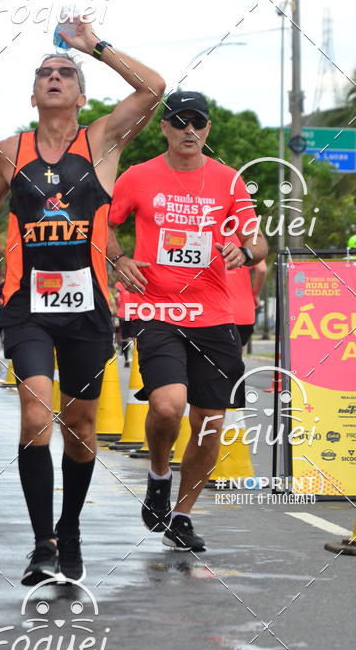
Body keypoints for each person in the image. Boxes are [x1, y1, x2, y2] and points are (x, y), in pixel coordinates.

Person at [0, 21, 165, 584]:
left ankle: (69, 530)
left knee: (82, 426)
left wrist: (94, 46)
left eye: (64, 73)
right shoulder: (8, 152)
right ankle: (42, 542)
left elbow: (153, 89)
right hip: (27, 305)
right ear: (32, 95)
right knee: (34, 413)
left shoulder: (101, 141)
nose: (53, 78)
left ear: (80, 93)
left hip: (89, 306)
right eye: (44, 73)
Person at [108, 90, 268, 552]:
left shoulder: (227, 182)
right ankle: (159, 473)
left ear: (208, 130)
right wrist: (119, 258)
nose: (189, 131)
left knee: (211, 421)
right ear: (165, 128)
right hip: (157, 310)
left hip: (215, 317)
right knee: (167, 406)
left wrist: (244, 249)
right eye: (179, 122)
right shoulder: (139, 177)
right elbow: (102, 223)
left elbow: (257, 243)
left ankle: (181, 515)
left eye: (197, 123)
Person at [115, 280, 134, 366]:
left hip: (124, 313)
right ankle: (136, 360)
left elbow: (116, 296)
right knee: (136, 337)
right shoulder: (137, 281)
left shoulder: (120, 284)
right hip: (134, 313)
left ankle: (126, 360)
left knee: (124, 337)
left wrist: (118, 302)